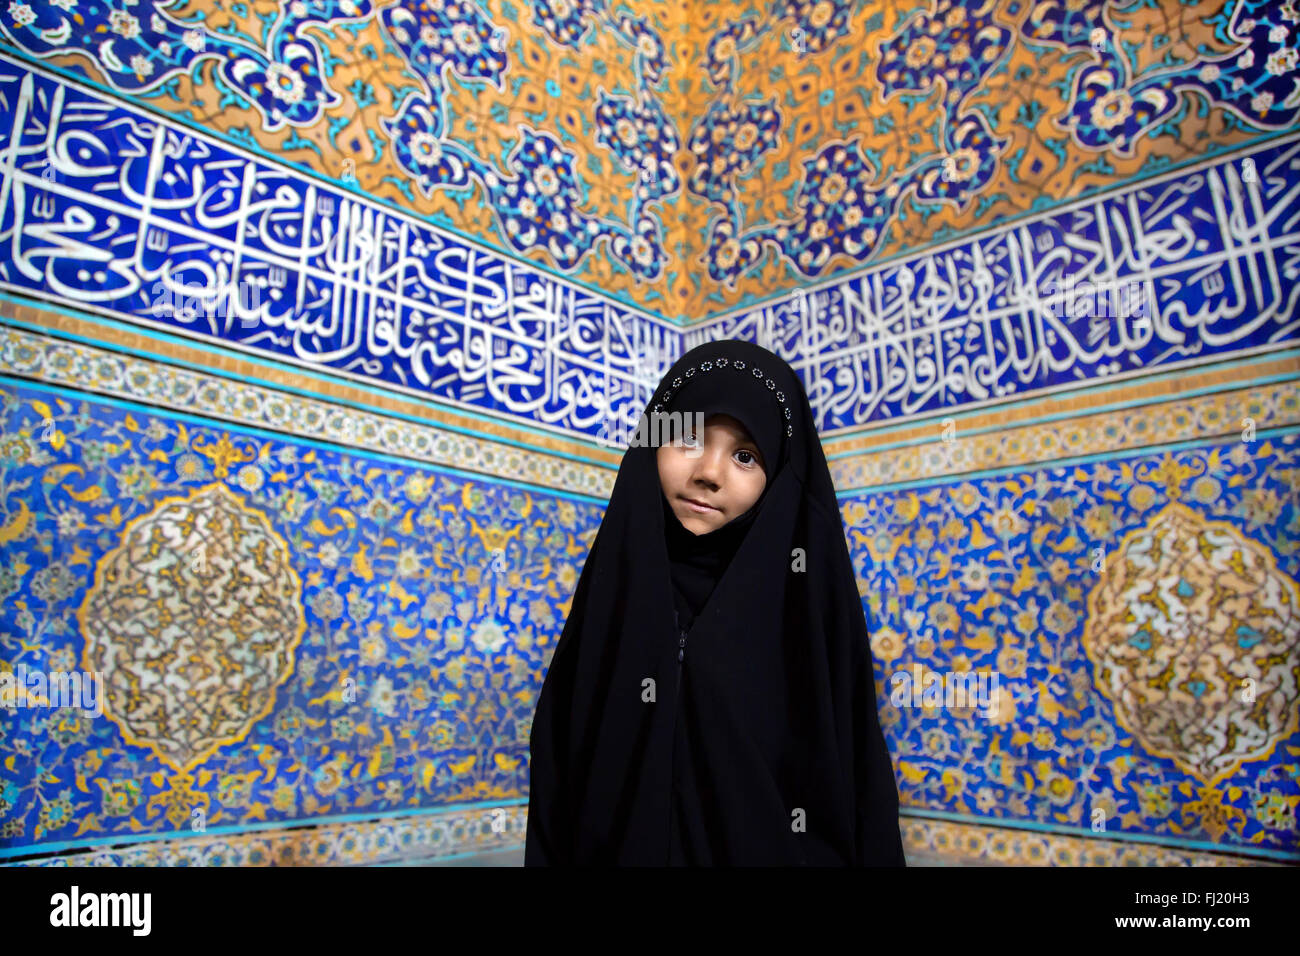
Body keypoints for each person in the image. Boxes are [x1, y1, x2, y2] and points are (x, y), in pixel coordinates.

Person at [524, 339, 906, 866]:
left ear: (778, 478)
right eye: (686, 439)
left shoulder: (807, 613)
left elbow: (859, 785)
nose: (709, 472)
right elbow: (558, 779)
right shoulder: (611, 599)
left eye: (745, 456)